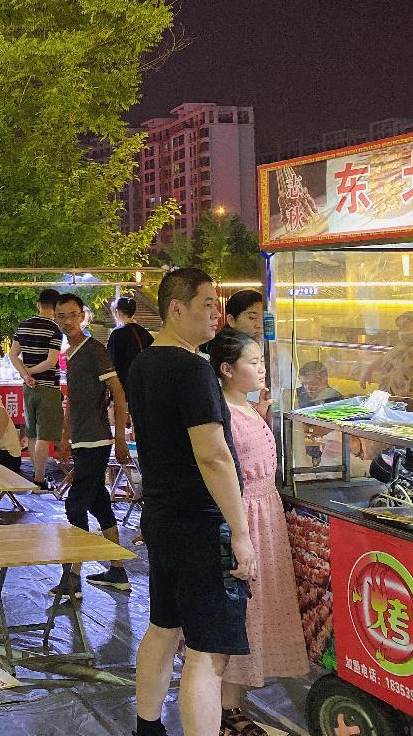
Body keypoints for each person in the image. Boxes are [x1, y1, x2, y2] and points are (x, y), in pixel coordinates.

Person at [125, 267, 256, 736]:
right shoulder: (193, 369)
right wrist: (240, 533)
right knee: (207, 651)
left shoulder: (143, 365)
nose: (216, 313)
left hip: (162, 517)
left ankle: (148, 728)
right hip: (202, 524)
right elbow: (213, 455)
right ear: (177, 309)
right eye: (207, 304)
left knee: (164, 627)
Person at [209, 330, 309, 734]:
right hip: (246, 515)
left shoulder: (246, 407)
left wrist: (264, 414)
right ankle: (226, 709)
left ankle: (233, 704)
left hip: (265, 513)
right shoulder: (223, 414)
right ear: (227, 369)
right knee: (243, 611)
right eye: (253, 363)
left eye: (262, 362)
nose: (262, 369)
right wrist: (238, 532)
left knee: (258, 608)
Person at [51, 294, 131, 594]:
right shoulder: (70, 353)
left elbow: (119, 394)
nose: (67, 321)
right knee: (98, 502)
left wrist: (120, 439)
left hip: (97, 439)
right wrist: (65, 437)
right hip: (82, 440)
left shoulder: (94, 350)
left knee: (74, 504)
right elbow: (72, 400)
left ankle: (73, 576)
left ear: (82, 316)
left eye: (72, 314)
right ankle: (117, 571)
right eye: (61, 316)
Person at [8, 288, 64, 490]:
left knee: (32, 433)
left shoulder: (24, 325)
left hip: (29, 387)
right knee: (44, 435)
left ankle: (36, 475)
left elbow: (13, 355)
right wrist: (30, 372)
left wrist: (25, 374)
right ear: (56, 307)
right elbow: (51, 361)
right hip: (48, 386)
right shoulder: (55, 329)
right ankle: (39, 479)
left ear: (38, 304)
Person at [108, 295, 154, 386]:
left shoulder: (117, 333)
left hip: (124, 383)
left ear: (117, 312)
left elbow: (111, 361)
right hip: (143, 382)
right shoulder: (144, 333)